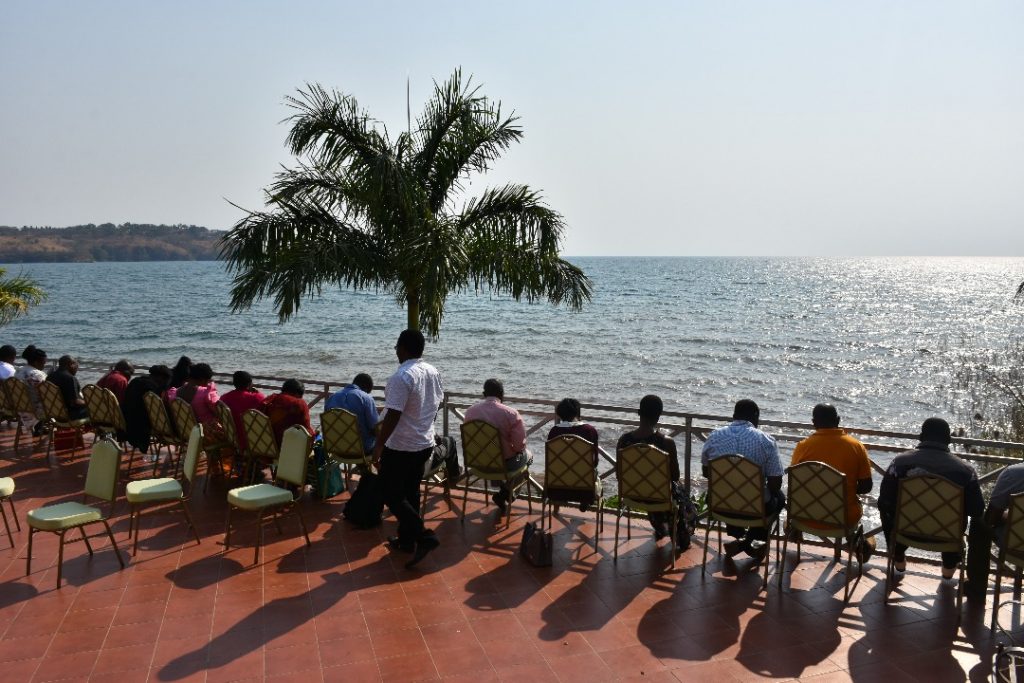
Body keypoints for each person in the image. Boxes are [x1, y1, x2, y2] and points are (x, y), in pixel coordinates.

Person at [878, 417, 985, 580]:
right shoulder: (966, 471)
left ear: (921, 437)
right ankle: (949, 566)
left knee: (885, 509)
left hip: (905, 532)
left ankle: (897, 554)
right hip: (948, 537)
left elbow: (884, 501)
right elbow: (976, 510)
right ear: (949, 440)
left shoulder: (899, 463)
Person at [373, 329, 444, 568]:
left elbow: (392, 414)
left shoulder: (401, 376)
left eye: (396, 347)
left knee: (389, 492)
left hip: (401, 445)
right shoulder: (433, 372)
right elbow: (436, 405)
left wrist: (379, 445)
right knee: (410, 491)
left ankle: (424, 536)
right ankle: (406, 541)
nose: (395, 351)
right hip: (424, 442)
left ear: (403, 348)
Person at [701, 399, 785, 561]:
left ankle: (742, 538)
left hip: (719, 505)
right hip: (755, 510)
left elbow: (706, 472)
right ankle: (750, 542)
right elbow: (776, 484)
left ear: (734, 416)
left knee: (735, 496)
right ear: (756, 417)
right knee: (779, 497)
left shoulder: (714, 436)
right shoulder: (766, 440)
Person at [464, 378, 531, 515]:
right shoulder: (511, 414)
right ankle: (506, 494)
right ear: (502, 393)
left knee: (492, 452)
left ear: (484, 393)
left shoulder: (470, 412)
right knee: (528, 457)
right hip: (503, 466)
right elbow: (519, 446)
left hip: (477, 463)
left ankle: (502, 489)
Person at [617, 394, 680, 540]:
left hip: (631, 496)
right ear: (659, 416)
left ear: (639, 413)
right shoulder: (667, 442)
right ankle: (676, 532)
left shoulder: (624, 441)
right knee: (680, 493)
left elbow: (620, 474)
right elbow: (675, 476)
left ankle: (660, 527)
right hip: (660, 498)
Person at [547, 397, 601, 510]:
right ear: (577, 412)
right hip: (584, 487)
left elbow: (550, 461)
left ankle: (559, 502)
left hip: (558, 485)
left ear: (560, 414)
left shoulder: (554, 431)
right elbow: (594, 462)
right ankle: (585, 499)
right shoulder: (589, 430)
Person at [122, 364, 172, 453]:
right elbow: (157, 412)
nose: (166, 382)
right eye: (166, 379)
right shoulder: (152, 389)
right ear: (160, 377)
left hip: (126, 423)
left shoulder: (135, 381)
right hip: (142, 427)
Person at [325, 373, 379, 454]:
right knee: (385, 440)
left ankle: (364, 466)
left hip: (335, 447)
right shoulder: (366, 398)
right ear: (366, 388)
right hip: (361, 450)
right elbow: (375, 428)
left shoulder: (332, 397)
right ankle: (371, 466)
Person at [219, 371, 266, 450]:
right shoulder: (256, 398)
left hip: (232, 439)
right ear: (249, 384)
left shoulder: (224, 398)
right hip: (254, 440)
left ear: (234, 383)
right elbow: (265, 406)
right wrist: (257, 393)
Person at [261, 379, 313, 446]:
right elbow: (306, 429)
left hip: (266, 445)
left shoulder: (269, 400)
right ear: (297, 393)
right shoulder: (298, 403)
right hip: (287, 447)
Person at [15, 345, 48, 435]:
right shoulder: (37, 374)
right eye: (43, 363)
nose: (44, 365)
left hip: (20, 407)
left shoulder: (19, 371)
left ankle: (40, 428)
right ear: (36, 362)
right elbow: (48, 392)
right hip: (35, 409)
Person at [47, 355, 87, 421]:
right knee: (96, 410)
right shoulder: (70, 378)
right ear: (71, 364)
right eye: (76, 366)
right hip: (69, 415)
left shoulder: (50, 377)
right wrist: (89, 403)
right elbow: (75, 402)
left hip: (54, 414)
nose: (76, 369)